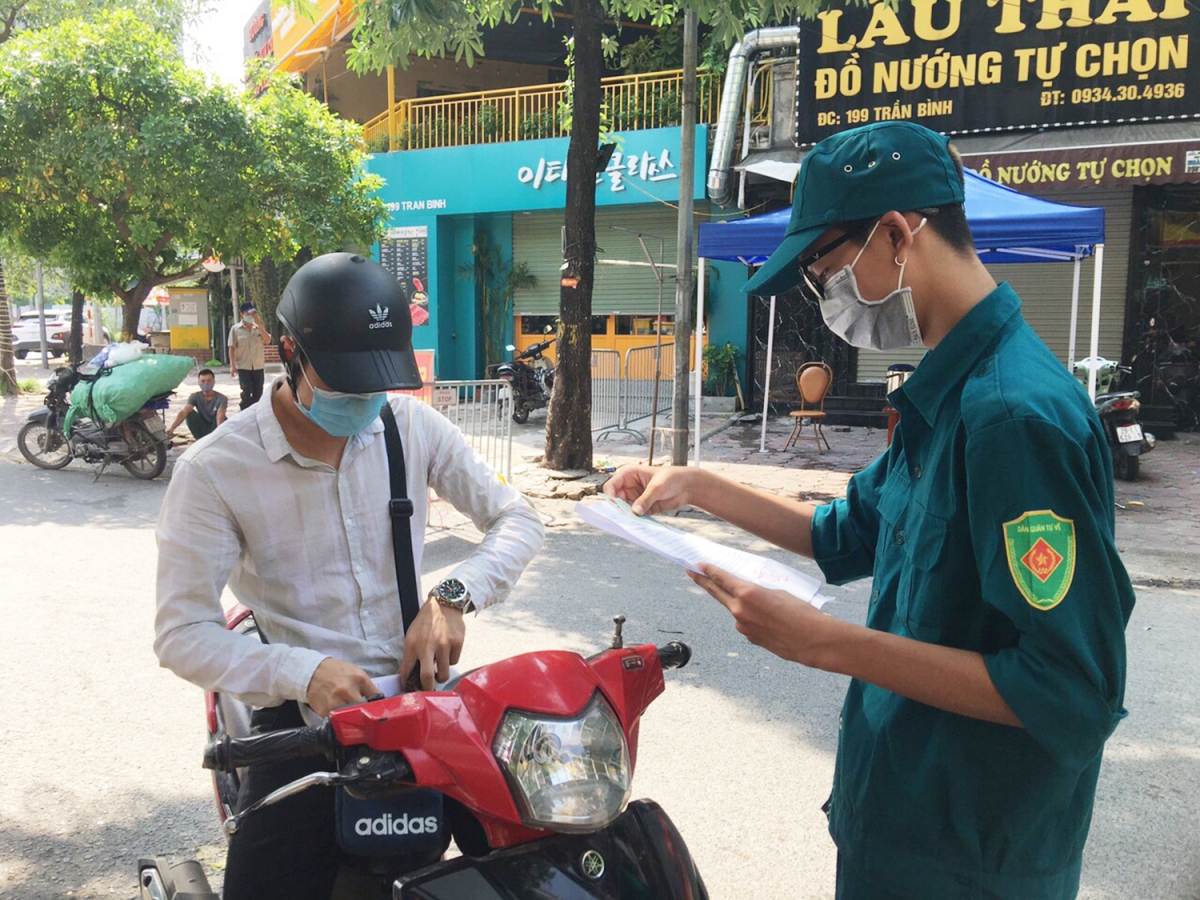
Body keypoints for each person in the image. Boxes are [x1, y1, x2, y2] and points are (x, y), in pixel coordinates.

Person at [604, 121, 1134, 899]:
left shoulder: (1010, 418)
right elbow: (842, 535)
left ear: (895, 235)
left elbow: (1071, 690)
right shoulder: (946, 394)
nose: (826, 298)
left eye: (825, 269)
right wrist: (697, 487)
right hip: (898, 824)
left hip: (969, 860)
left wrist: (828, 645)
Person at [155, 252, 544, 899]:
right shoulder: (216, 470)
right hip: (301, 725)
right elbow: (181, 632)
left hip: (420, 712)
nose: (365, 402)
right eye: (346, 384)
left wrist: (454, 595)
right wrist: (302, 671)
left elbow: (518, 517)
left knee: (511, 867)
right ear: (289, 354)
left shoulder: (412, 428)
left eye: (378, 384)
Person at [228, 301, 270, 409]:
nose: (250, 316)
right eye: (247, 314)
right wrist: (232, 365)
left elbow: (267, 340)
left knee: (258, 392)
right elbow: (231, 347)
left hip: (258, 365)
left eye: (252, 314)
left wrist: (259, 324)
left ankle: (256, 413)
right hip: (243, 365)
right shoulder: (236, 329)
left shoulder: (258, 328)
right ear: (242, 314)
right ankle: (244, 412)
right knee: (246, 390)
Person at [165, 368, 227, 440]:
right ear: (199, 382)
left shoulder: (221, 398)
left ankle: (217, 438)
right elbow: (184, 412)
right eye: (203, 381)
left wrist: (220, 432)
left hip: (215, 427)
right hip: (202, 426)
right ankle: (198, 439)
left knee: (223, 418)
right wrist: (172, 428)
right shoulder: (195, 396)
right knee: (189, 413)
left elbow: (220, 415)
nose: (206, 383)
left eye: (209, 381)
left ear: (214, 382)